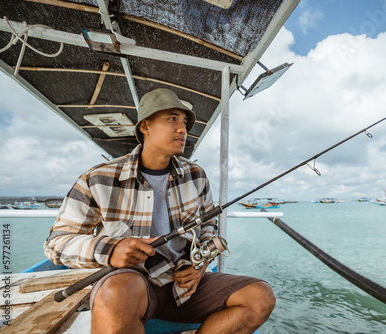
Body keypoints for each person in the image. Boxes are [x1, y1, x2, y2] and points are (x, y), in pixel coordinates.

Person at [44, 88, 275, 334]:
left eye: (184, 122)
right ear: (145, 126)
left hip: (184, 285)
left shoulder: (196, 175)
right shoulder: (98, 178)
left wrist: (200, 266)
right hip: (134, 285)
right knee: (115, 292)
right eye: (172, 119)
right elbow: (56, 243)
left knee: (260, 296)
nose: (182, 129)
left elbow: (209, 226)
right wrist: (109, 250)